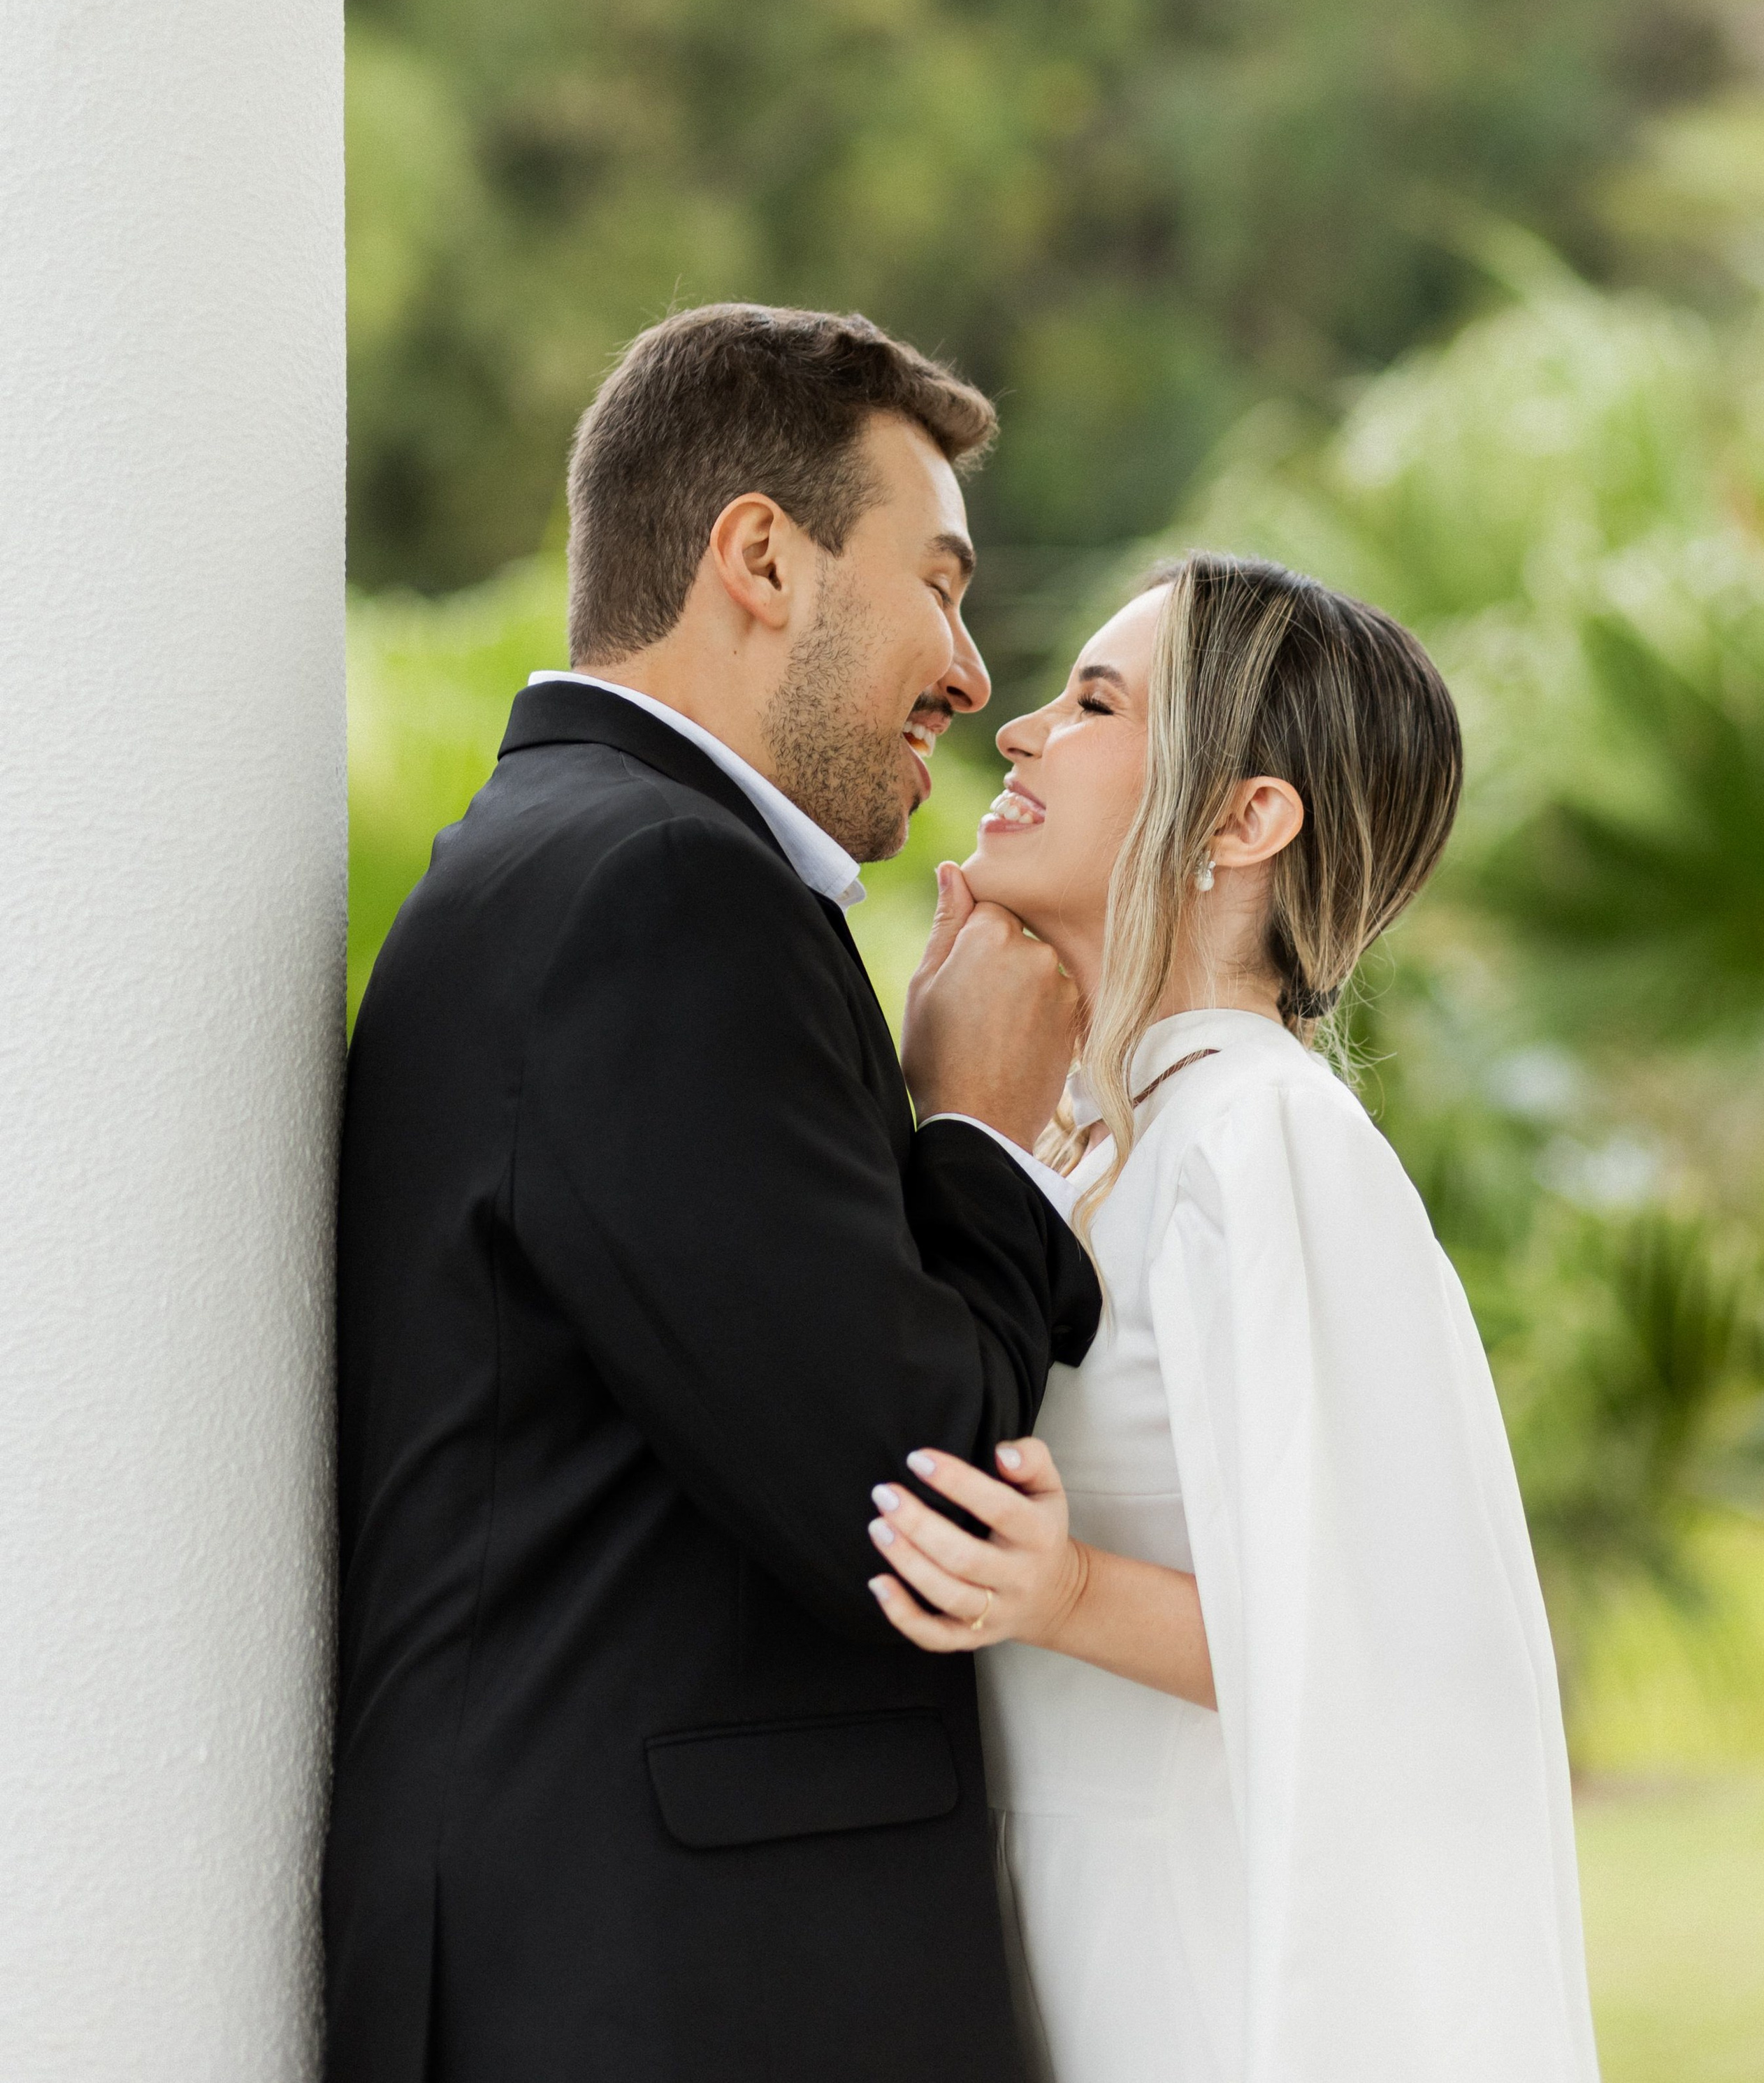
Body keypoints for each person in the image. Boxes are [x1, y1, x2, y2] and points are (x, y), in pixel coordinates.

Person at [323, 305, 1103, 2083]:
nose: (969, 674)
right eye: (939, 587)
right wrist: (978, 1134)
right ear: (759, 557)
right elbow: (909, 1501)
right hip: (671, 1999)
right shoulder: (663, 892)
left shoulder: (553, 857)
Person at [863, 553, 1601, 2083]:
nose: (1019, 729)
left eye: (1094, 703)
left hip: (1195, 1969)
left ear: (1244, 818)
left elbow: (1381, 1635)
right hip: (1048, 1931)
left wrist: (1064, 1588)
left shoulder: (1262, 1140)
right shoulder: (1096, 1146)